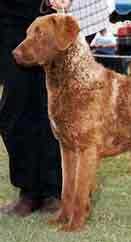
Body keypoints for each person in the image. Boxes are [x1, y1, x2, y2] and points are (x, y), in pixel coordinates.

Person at [0, 0, 62, 216]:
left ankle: (54, 191)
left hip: (45, 17)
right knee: (14, 110)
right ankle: (28, 191)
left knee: (50, 109)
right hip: (7, 22)